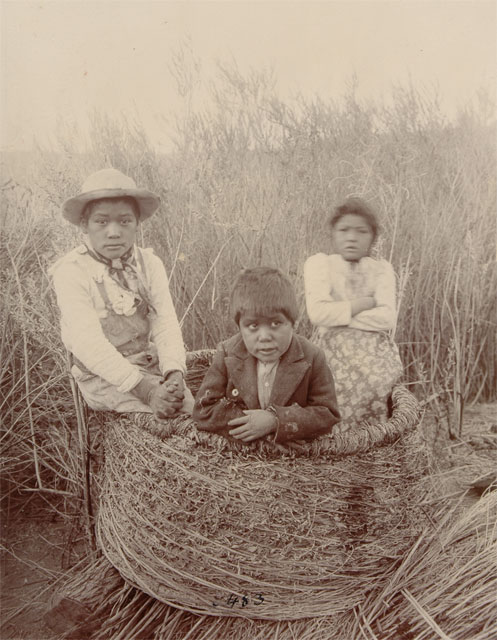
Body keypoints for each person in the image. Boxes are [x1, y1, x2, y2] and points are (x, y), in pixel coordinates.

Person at [49, 168, 193, 421]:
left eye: (124, 221)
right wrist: (147, 391)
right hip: (101, 377)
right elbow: (88, 345)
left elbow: (165, 322)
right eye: (102, 221)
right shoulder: (72, 271)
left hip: (147, 362)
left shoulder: (149, 264)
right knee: (168, 417)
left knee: (189, 409)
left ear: (137, 223)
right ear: (84, 224)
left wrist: (173, 373)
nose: (114, 232)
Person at [193, 267, 340, 443]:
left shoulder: (312, 357)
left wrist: (275, 420)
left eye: (276, 323)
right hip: (239, 458)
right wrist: (249, 423)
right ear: (239, 326)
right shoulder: (227, 352)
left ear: (293, 323)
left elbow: (327, 414)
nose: (264, 337)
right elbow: (203, 409)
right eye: (253, 326)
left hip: (294, 460)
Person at [303, 197, 403, 431]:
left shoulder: (381, 270)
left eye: (361, 231)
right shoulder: (321, 265)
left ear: (372, 237)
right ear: (333, 233)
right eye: (344, 229)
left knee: (378, 385)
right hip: (332, 348)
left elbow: (387, 318)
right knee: (331, 387)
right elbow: (318, 314)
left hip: (375, 351)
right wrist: (362, 304)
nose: (351, 237)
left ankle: (373, 446)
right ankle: (335, 449)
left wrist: (338, 313)